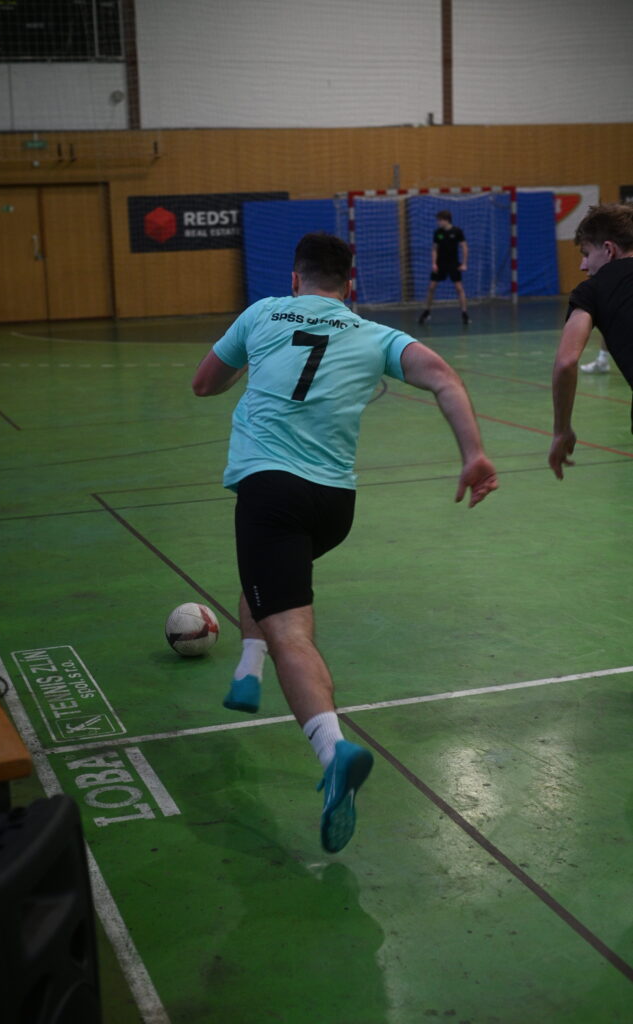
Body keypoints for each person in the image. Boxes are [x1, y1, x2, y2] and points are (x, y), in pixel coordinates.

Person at [192, 232, 498, 853]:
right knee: (271, 579)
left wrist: (254, 357)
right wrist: (473, 454)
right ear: (349, 285)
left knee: (291, 630)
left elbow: (205, 384)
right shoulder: (374, 335)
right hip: (335, 504)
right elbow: (443, 378)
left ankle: (334, 751)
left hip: (271, 489)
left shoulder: (263, 312)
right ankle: (247, 668)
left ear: (295, 278)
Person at [549, 203, 633, 480]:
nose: (583, 265)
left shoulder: (593, 290)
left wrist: (561, 430)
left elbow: (566, 362)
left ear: (609, 250)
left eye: (586, 254)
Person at [418, 210, 470, 325]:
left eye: (440, 220)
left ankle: (464, 313)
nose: (438, 222)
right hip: (440, 264)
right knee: (431, 287)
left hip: (453, 264)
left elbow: (464, 247)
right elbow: (434, 249)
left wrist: (464, 263)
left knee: (459, 288)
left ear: (446, 220)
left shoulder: (457, 231)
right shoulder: (438, 232)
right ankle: (427, 312)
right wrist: (434, 263)